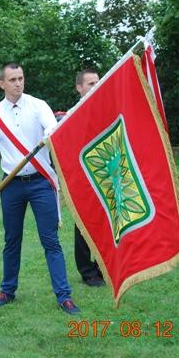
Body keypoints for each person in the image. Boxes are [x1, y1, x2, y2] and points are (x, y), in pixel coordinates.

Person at [0, 62, 80, 315]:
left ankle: (64, 296)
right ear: (2, 83)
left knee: (50, 241)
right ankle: (7, 290)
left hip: (40, 182)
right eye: (12, 80)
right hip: (10, 185)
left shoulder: (38, 105)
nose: (18, 83)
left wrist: (50, 131)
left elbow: (51, 125)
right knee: (11, 239)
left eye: (21, 78)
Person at [73, 68, 105, 287]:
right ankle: (87, 271)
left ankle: (105, 266)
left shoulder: (106, 110)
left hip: (105, 173)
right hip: (82, 178)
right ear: (80, 88)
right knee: (84, 223)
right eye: (91, 83)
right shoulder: (72, 116)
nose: (96, 86)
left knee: (106, 223)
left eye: (98, 82)